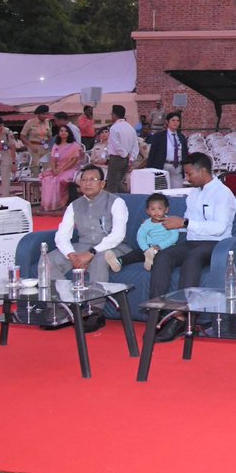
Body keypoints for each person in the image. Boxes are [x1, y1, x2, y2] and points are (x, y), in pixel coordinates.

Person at [152, 153, 236, 342]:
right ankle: (158, 312)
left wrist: (184, 222)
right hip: (192, 241)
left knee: (193, 258)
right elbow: (187, 225)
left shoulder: (223, 194)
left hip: (216, 244)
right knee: (163, 256)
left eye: (189, 174)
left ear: (204, 171)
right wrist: (170, 224)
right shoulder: (194, 193)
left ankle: (181, 317)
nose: (187, 178)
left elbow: (219, 228)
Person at [43, 164, 131, 332]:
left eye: (93, 180)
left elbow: (118, 234)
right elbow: (62, 235)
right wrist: (71, 254)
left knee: (100, 258)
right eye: (84, 180)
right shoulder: (74, 205)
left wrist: (91, 253)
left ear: (102, 184)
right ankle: (65, 306)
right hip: (81, 246)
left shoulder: (116, 202)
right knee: (48, 260)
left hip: (113, 246)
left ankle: (95, 311)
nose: (87, 183)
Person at [119, 192, 180, 273]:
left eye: (159, 209)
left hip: (166, 248)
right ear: (147, 211)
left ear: (166, 210)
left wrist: (159, 246)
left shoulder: (170, 221)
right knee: (136, 253)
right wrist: (146, 250)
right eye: (152, 209)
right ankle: (119, 261)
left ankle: (150, 263)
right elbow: (140, 237)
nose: (156, 212)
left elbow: (174, 237)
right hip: (149, 249)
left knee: (164, 256)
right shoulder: (146, 224)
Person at [40, 124, 83, 211]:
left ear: (69, 133)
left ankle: (62, 203)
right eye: (61, 131)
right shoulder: (56, 145)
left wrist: (61, 170)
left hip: (71, 169)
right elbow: (53, 160)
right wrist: (54, 169)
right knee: (47, 178)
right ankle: (50, 204)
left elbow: (73, 161)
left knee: (60, 179)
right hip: (57, 169)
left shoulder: (74, 146)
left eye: (65, 131)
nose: (63, 133)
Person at [146, 111, 188, 189]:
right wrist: (149, 169)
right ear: (167, 122)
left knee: (177, 191)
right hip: (163, 166)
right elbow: (152, 154)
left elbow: (185, 153)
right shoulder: (159, 136)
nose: (176, 123)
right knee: (162, 190)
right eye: (173, 120)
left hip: (177, 166)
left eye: (178, 120)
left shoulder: (181, 137)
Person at [105, 104, 139, 194]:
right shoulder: (131, 128)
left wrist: (125, 154)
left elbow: (116, 145)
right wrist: (131, 158)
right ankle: (125, 200)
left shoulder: (114, 128)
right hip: (126, 160)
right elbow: (135, 145)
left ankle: (112, 206)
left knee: (112, 185)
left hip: (116, 159)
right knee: (119, 183)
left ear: (114, 115)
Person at [19, 105, 53, 177]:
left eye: (47, 114)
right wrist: (30, 146)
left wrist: (49, 145)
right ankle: (35, 187)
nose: (45, 116)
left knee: (47, 167)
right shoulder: (30, 122)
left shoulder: (48, 122)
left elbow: (50, 135)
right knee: (35, 168)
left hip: (45, 147)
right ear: (38, 114)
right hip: (34, 146)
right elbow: (22, 136)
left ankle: (46, 187)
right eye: (43, 114)